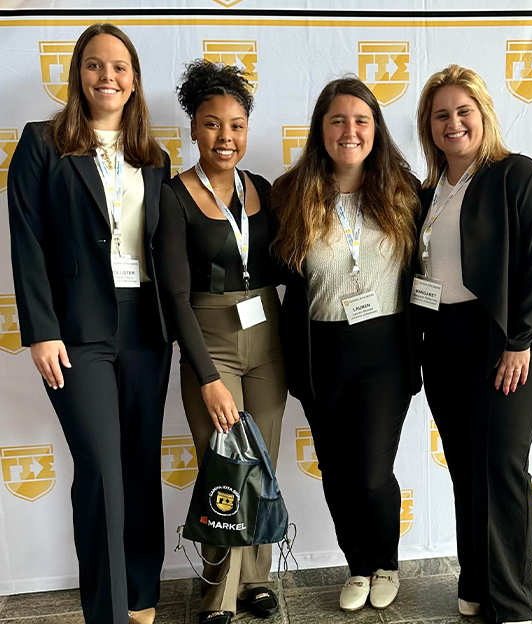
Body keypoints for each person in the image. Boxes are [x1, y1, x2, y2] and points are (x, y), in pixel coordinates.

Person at [7, 23, 172, 624]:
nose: (109, 76)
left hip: (146, 331)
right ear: (78, 73)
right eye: (96, 65)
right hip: (77, 333)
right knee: (101, 469)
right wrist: (41, 329)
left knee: (139, 464)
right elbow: (26, 241)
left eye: (120, 67)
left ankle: (143, 595)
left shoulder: (154, 158)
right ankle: (106, 611)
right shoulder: (41, 143)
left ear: (134, 81)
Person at [413, 64, 532, 624]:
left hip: (509, 339)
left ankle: (512, 603)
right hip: (445, 341)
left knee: (501, 465)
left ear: (484, 116)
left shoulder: (519, 176)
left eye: (463, 111)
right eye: (440, 114)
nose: (453, 123)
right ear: (428, 126)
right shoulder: (429, 193)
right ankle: (474, 579)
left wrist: (519, 340)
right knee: (465, 467)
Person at [270, 76, 421, 613]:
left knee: (373, 472)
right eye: (337, 120)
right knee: (336, 470)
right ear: (321, 129)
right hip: (320, 351)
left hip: (384, 350)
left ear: (376, 129)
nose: (349, 131)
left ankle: (386, 561)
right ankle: (358, 564)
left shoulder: (405, 190)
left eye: (361, 120)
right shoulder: (290, 193)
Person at [155, 60, 287, 624]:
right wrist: (206, 375)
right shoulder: (174, 195)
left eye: (235, 124)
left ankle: (254, 580)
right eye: (212, 124)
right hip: (211, 342)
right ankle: (215, 593)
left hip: (268, 339)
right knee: (223, 467)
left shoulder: (263, 189)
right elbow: (175, 297)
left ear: (248, 129)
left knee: (263, 463)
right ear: (193, 128)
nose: (224, 137)